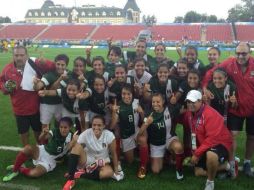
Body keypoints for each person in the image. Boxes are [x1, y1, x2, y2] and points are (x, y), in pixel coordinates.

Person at [203, 42, 254, 177]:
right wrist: (204, 88)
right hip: (235, 108)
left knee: (251, 136)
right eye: (238, 53)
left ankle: (247, 162)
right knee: (232, 136)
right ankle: (232, 166)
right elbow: (211, 73)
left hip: (252, 108)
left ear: (250, 53)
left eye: (244, 53)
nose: (240, 56)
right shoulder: (229, 63)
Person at [0, 46, 55, 146]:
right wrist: (5, 88)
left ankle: (41, 151)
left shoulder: (34, 63)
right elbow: (2, 83)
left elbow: (53, 67)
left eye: (22, 55)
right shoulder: (7, 70)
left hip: (36, 107)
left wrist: (45, 62)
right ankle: (26, 152)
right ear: (13, 56)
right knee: (23, 134)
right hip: (19, 109)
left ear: (27, 55)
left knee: (38, 132)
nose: (19, 58)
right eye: (16, 55)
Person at [2, 117, 78, 182]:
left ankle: (20, 168)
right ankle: (15, 170)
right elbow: (41, 139)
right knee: (27, 148)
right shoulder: (55, 131)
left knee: (34, 174)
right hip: (42, 151)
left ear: (70, 127)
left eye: (65, 127)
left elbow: (68, 148)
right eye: (61, 127)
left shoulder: (72, 137)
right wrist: (44, 133)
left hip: (50, 160)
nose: (62, 129)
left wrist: (74, 141)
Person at [186, 90, 233, 190]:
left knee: (210, 155)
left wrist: (197, 153)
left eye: (193, 102)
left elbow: (212, 139)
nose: (190, 104)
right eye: (188, 102)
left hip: (220, 142)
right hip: (206, 143)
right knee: (198, 172)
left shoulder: (210, 114)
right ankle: (225, 166)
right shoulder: (190, 113)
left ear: (200, 101)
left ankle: (210, 182)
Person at [62, 115, 123, 190]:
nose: (96, 127)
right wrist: (73, 141)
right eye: (94, 125)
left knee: (108, 173)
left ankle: (80, 174)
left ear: (104, 126)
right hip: (87, 160)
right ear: (91, 125)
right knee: (77, 146)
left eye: (99, 125)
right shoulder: (87, 133)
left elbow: (114, 153)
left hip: (102, 162)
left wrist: (116, 169)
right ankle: (71, 179)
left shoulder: (109, 135)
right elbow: (69, 149)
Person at [139, 93, 184, 180]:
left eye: (158, 102)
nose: (155, 104)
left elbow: (182, 108)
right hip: (156, 144)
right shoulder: (149, 113)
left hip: (169, 139)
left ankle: (179, 169)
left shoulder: (170, 109)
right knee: (156, 171)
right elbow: (140, 132)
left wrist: (175, 102)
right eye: (153, 102)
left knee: (178, 147)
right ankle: (166, 156)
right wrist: (146, 123)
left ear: (163, 101)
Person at [110, 85, 149, 179]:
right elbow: (111, 126)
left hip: (136, 131)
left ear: (132, 94)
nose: (126, 96)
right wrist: (114, 113)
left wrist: (142, 112)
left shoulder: (136, 102)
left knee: (143, 139)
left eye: (129, 94)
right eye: (124, 94)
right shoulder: (118, 106)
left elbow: (145, 120)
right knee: (130, 161)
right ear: (121, 94)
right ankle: (129, 151)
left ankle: (143, 166)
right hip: (126, 135)